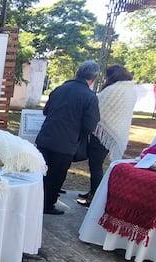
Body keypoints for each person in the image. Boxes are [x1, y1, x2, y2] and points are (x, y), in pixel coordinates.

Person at [35, 60, 101, 215]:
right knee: (56, 175)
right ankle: (47, 205)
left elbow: (46, 111)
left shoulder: (59, 89)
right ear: (93, 79)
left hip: (46, 137)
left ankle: (35, 200)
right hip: (66, 143)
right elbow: (90, 125)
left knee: (41, 172)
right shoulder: (90, 97)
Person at [76, 65, 138, 207]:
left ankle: (94, 197)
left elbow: (97, 108)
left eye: (107, 76)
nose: (105, 79)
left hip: (103, 133)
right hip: (112, 132)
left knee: (95, 165)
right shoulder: (130, 90)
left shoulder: (113, 90)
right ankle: (93, 191)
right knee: (96, 164)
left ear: (112, 76)